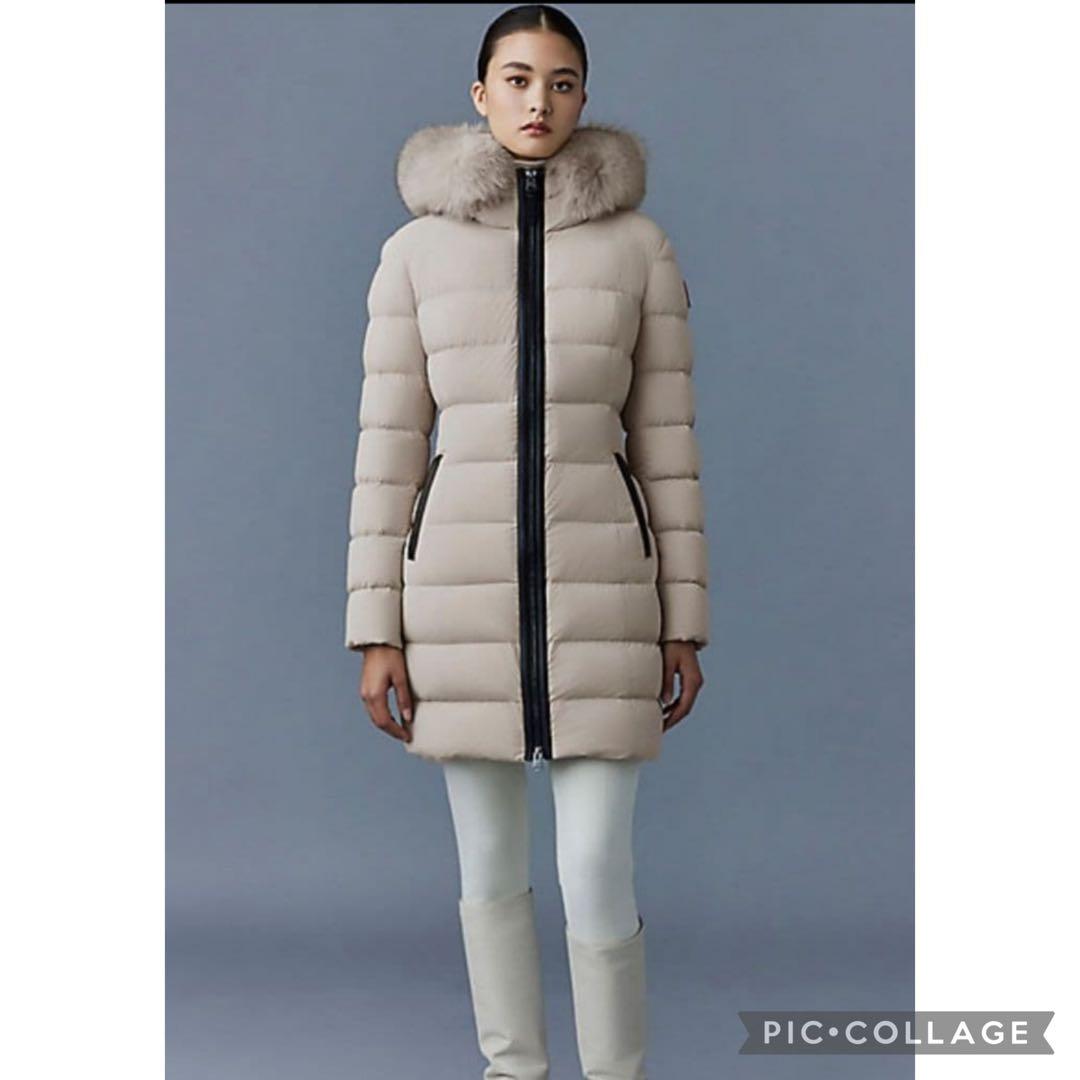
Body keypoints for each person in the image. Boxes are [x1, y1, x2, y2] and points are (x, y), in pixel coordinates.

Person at [344, 6, 709, 1077]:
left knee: (595, 866)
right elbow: (387, 451)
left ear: (584, 96)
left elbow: (669, 450)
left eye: (560, 81)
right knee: (489, 867)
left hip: (607, 602)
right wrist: (376, 628)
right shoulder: (415, 254)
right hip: (454, 602)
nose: (537, 101)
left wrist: (684, 622)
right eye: (515, 78)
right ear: (479, 94)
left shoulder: (640, 250)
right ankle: (513, 1071)